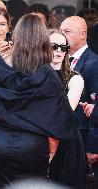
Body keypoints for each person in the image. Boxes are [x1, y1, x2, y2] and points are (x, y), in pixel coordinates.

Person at [0, 14, 77, 189]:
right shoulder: (48, 75)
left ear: (16, 35)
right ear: (42, 39)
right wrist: (49, 155)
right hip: (33, 147)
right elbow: (58, 123)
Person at [60, 16, 98, 180]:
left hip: (82, 137)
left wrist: (93, 146)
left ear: (83, 34)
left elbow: (95, 106)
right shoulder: (59, 59)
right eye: (60, 31)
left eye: (67, 32)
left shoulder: (93, 63)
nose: (62, 36)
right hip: (62, 134)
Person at [47, 29, 86, 189]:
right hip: (37, 141)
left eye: (63, 47)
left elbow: (65, 113)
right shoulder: (32, 75)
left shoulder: (74, 78)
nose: (59, 51)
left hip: (66, 143)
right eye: (54, 46)